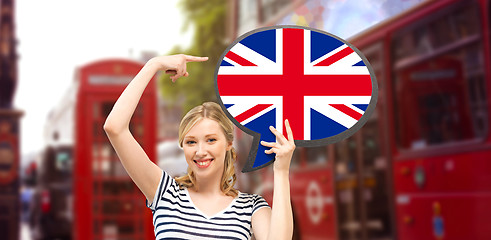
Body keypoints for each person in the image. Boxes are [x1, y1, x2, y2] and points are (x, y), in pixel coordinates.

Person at [103, 54, 295, 239]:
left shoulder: (250, 207)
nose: (200, 151)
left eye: (211, 140)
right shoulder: (166, 194)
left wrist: (281, 170)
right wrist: (154, 65)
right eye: (191, 142)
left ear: (228, 143)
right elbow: (115, 128)